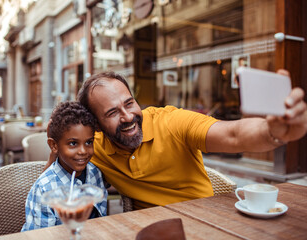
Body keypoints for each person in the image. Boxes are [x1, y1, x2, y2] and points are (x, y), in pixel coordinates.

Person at [45, 70, 307, 210]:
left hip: (206, 219)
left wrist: (273, 132)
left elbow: (233, 134)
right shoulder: (93, 148)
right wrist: (56, 145)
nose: (128, 117)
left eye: (129, 103)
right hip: (152, 229)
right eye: (112, 112)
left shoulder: (171, 122)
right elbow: (53, 179)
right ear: (97, 125)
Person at [22, 101, 108, 231]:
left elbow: (101, 218)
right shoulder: (44, 189)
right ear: (54, 146)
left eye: (89, 142)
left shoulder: (95, 173)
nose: (83, 151)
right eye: (73, 143)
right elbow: (39, 236)